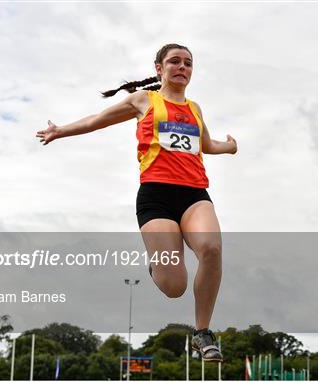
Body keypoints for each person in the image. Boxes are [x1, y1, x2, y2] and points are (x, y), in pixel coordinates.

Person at [36, 43, 237, 362]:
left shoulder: (195, 109)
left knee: (211, 248)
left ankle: (202, 333)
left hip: (194, 194)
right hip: (156, 198)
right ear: (160, 68)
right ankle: (158, 262)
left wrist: (229, 147)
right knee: (175, 286)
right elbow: (96, 121)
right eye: (174, 61)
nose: (182, 67)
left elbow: (206, 144)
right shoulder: (144, 100)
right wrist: (60, 130)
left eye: (188, 63)